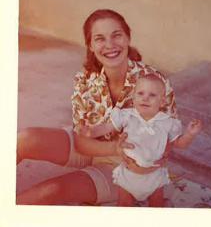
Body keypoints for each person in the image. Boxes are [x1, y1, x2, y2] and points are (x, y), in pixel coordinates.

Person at [16, 9, 182, 206]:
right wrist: (112, 146)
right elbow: (81, 143)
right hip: (91, 146)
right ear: (91, 46)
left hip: (126, 168)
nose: (110, 45)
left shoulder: (155, 83)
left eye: (116, 35)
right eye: (100, 38)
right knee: (26, 139)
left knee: (51, 191)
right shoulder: (85, 80)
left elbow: (168, 138)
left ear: (128, 38)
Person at [80, 73, 202, 207]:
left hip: (154, 175)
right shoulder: (127, 115)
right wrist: (91, 131)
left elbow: (179, 144)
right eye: (141, 93)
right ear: (133, 97)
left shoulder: (167, 122)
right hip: (129, 174)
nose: (145, 98)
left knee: (156, 204)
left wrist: (190, 134)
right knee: (124, 204)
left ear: (162, 102)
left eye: (152, 95)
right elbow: (108, 127)